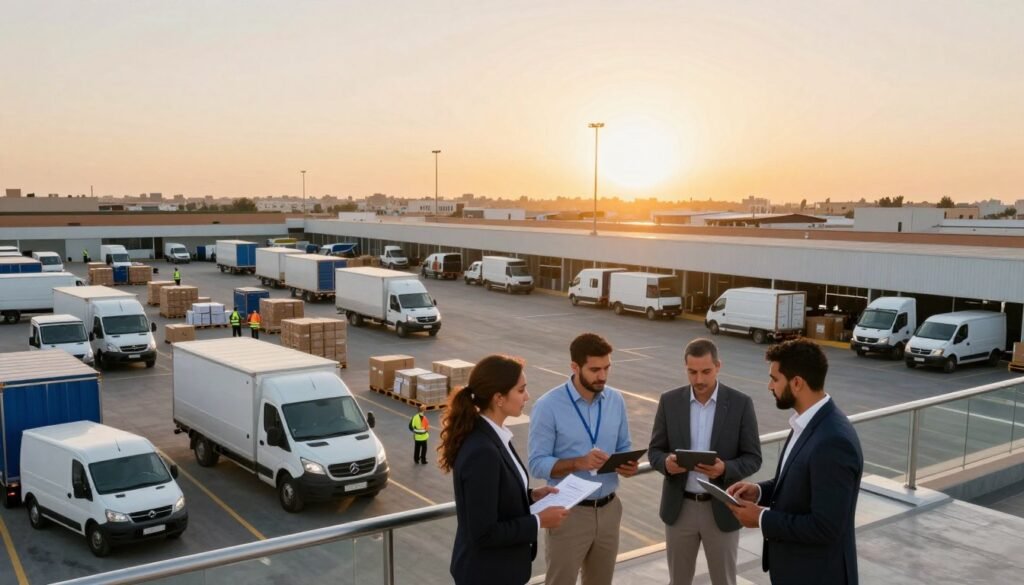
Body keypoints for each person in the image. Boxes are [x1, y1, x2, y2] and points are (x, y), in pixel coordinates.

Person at [727, 339, 864, 585]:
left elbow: (826, 526)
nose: (770, 385)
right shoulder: (808, 423)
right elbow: (798, 483)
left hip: (818, 576)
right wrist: (758, 492)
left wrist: (760, 518)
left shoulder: (833, 441)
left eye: (775, 378)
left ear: (797, 383)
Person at [440, 354, 569, 585]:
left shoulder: (493, 436)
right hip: (487, 574)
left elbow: (494, 498)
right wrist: (539, 520)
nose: (527, 396)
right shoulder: (483, 451)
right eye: (521, 390)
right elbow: (484, 532)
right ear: (499, 398)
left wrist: (529, 496)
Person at [648, 338, 762, 585]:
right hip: (680, 509)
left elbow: (753, 458)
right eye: (692, 372)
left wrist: (725, 468)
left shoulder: (741, 403)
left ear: (718, 366)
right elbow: (654, 451)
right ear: (685, 369)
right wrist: (666, 464)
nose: (699, 380)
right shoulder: (669, 401)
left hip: (721, 509)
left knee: (724, 581)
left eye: (706, 372)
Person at [528, 333, 638, 585]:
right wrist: (578, 462)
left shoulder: (616, 400)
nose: (603, 376)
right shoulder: (548, 406)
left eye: (607, 368)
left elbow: (624, 447)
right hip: (568, 514)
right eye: (595, 369)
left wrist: (627, 467)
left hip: (610, 510)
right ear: (575, 367)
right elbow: (536, 463)